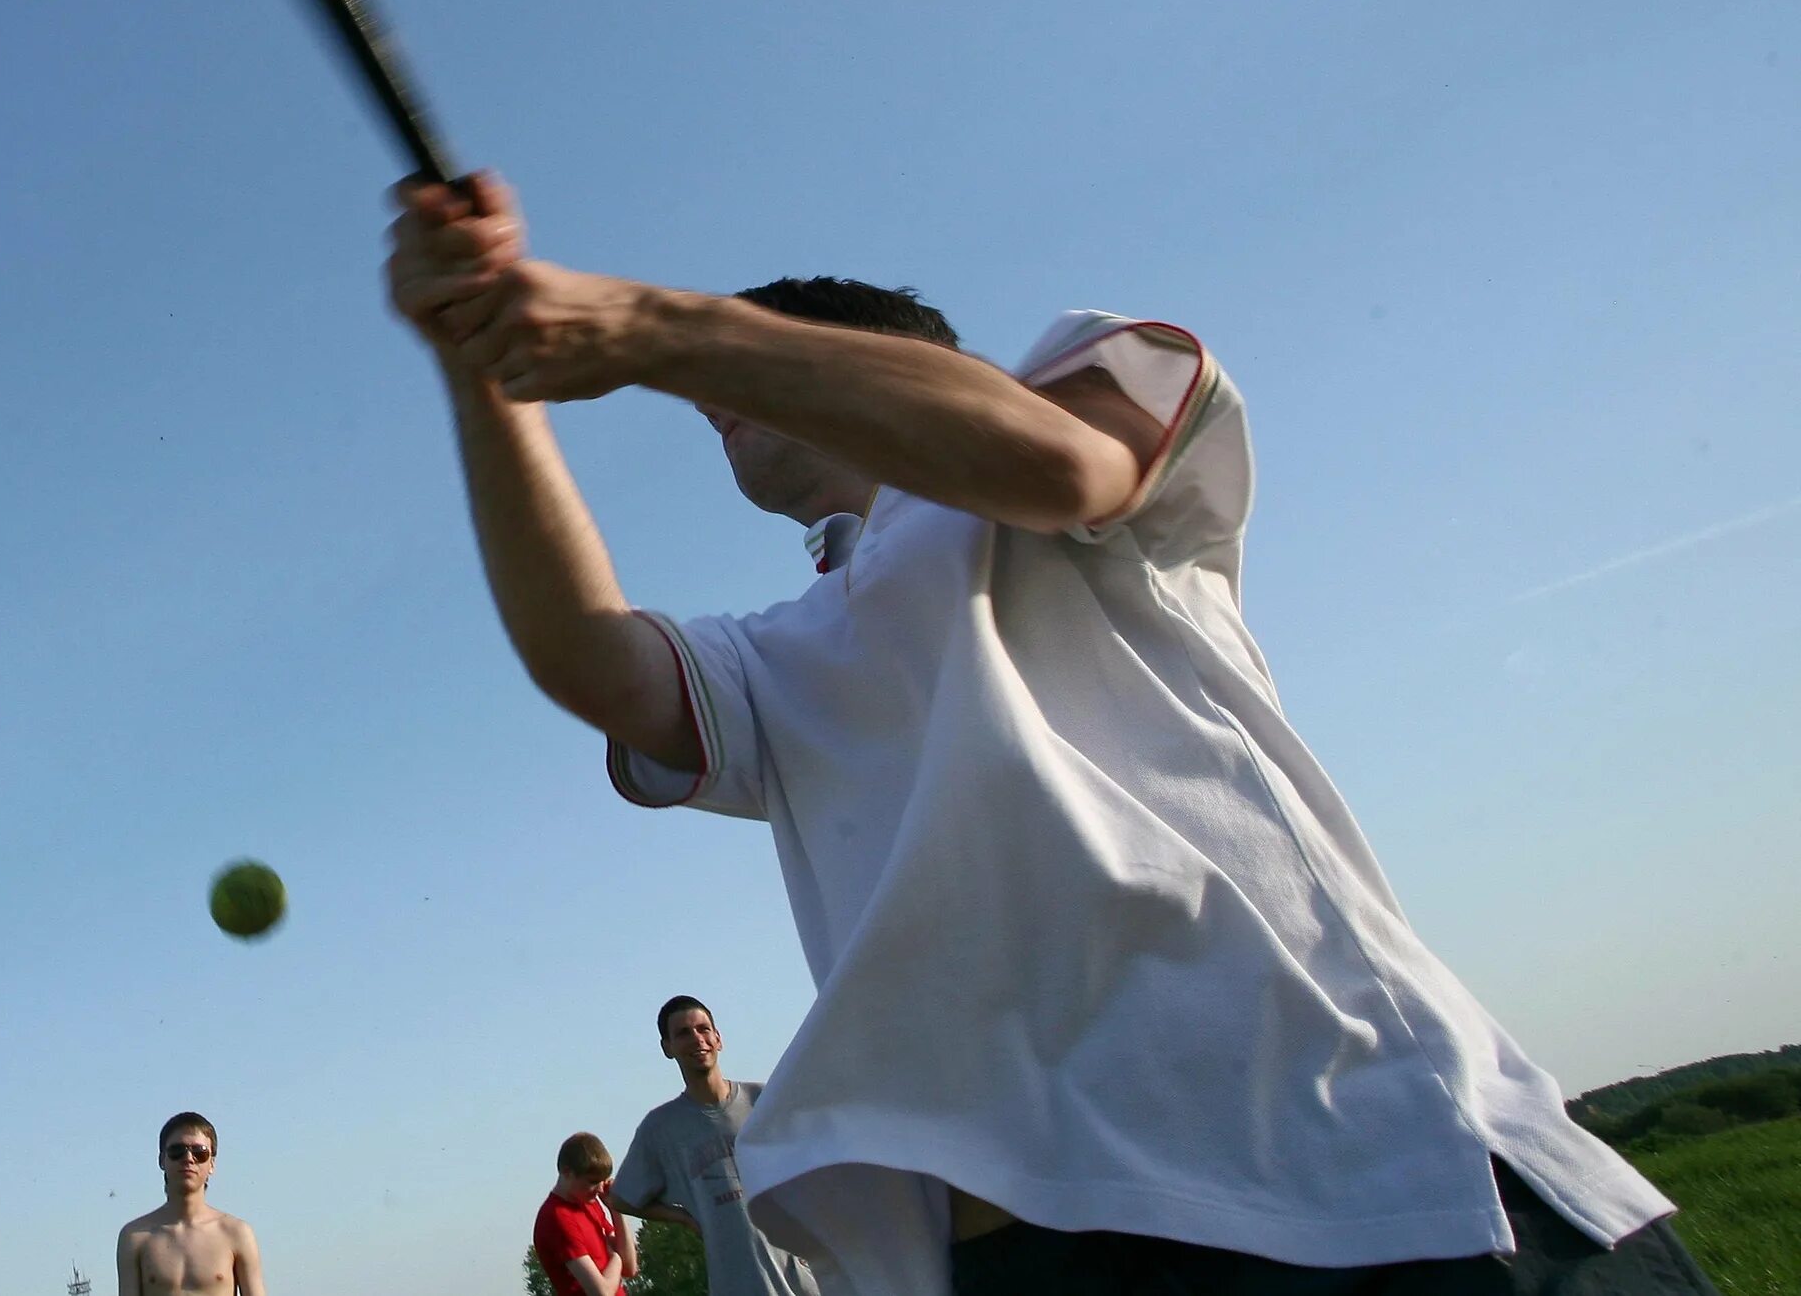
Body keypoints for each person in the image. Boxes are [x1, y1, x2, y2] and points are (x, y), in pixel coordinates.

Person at [383, 174, 1710, 1296]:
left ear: (870, 358)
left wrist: (668, 327)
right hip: (1031, 1246)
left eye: (751, 362)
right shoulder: (781, 649)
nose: (704, 400)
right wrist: (482, 373)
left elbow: (1061, 464)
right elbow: (593, 661)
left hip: (1357, 1161)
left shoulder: (1072, 381)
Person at [613, 996, 818, 1296]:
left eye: (703, 1029)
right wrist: (683, 1217)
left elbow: (814, 1160)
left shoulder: (763, 1100)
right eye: (683, 1033)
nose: (697, 1038)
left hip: (802, 1275)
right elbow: (621, 1198)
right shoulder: (660, 1129)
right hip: (736, 1282)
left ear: (718, 1039)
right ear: (667, 1048)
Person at [118, 1112, 266, 1296]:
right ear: (162, 1160)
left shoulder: (236, 1233)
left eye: (200, 1152)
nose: (188, 1158)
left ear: (212, 1164)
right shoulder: (135, 1237)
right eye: (177, 1151)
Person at [536, 1130, 640, 1296]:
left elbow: (630, 1267)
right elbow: (601, 1293)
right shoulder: (557, 1217)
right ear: (567, 1172)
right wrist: (616, 1258)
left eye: (602, 1181)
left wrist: (615, 1209)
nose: (600, 1189)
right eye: (592, 1182)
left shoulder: (590, 1204)